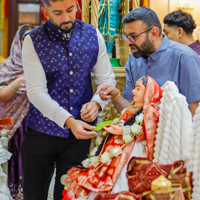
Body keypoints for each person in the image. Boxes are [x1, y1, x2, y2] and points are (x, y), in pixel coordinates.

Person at [21, 0, 116, 199]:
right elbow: (36, 92)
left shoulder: (93, 35)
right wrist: (68, 120)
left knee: (70, 195)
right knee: (34, 195)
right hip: (40, 133)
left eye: (70, 10)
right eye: (58, 13)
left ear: (76, 5)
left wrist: (97, 102)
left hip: (78, 138)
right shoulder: (33, 40)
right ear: (45, 12)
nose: (66, 18)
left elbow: (106, 79)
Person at [62, 76, 163, 200]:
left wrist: (123, 131)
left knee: (123, 180)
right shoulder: (132, 108)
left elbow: (148, 132)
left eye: (138, 89)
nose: (133, 91)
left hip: (134, 151)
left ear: (148, 92)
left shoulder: (150, 109)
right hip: (117, 148)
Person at [96, 6, 200, 116]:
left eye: (133, 36)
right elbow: (131, 112)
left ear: (154, 34)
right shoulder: (133, 60)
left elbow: (196, 113)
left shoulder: (185, 57)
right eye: (126, 36)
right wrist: (116, 96)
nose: (128, 42)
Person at [0, 24, 34, 199]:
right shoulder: (8, 66)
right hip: (12, 126)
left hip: (34, 124)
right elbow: (2, 96)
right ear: (18, 42)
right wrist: (19, 80)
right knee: (13, 162)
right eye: (25, 39)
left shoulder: (40, 66)